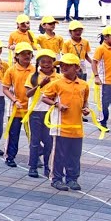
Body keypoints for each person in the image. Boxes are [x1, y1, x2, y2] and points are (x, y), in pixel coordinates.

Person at [40, 54, 91, 191]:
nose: (63, 67)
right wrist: (57, 104)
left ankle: (72, 179)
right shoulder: (57, 83)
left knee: (74, 154)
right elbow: (44, 98)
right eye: (62, 65)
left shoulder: (84, 85)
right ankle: (56, 179)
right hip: (60, 127)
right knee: (59, 154)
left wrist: (86, 109)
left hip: (76, 128)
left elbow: (84, 102)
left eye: (67, 65)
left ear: (77, 68)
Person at [1, 42, 36, 170]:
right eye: (23, 54)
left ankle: (35, 157)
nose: (27, 56)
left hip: (31, 108)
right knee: (13, 133)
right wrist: (14, 100)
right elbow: (5, 88)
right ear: (17, 56)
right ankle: (10, 156)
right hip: (16, 108)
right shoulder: (11, 70)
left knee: (33, 135)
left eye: (29, 53)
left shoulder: (35, 70)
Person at [25, 49, 59, 178]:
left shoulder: (58, 77)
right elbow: (28, 94)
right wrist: (40, 84)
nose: (46, 64)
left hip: (50, 113)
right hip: (35, 112)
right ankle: (33, 167)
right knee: (35, 141)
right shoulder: (33, 76)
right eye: (43, 62)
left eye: (49, 62)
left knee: (49, 142)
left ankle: (47, 166)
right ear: (38, 63)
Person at [93, 26, 111, 129]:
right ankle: (103, 123)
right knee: (104, 104)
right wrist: (96, 76)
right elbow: (94, 62)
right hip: (104, 82)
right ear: (106, 37)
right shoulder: (101, 49)